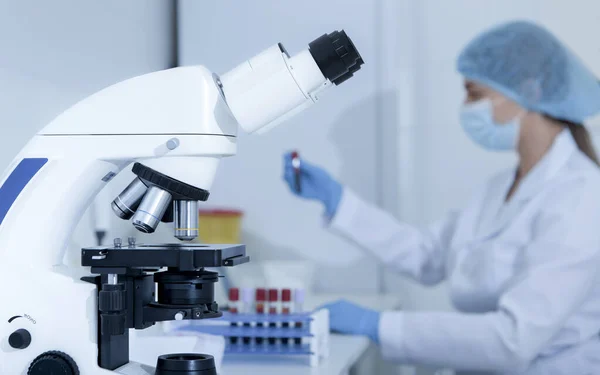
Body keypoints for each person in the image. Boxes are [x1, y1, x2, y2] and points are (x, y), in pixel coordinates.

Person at [283, 21, 600, 374]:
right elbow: (430, 255)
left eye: (474, 93)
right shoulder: (500, 187)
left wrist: (378, 325)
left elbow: (513, 339)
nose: (465, 106)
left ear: (529, 90)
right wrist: (338, 202)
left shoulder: (583, 196)